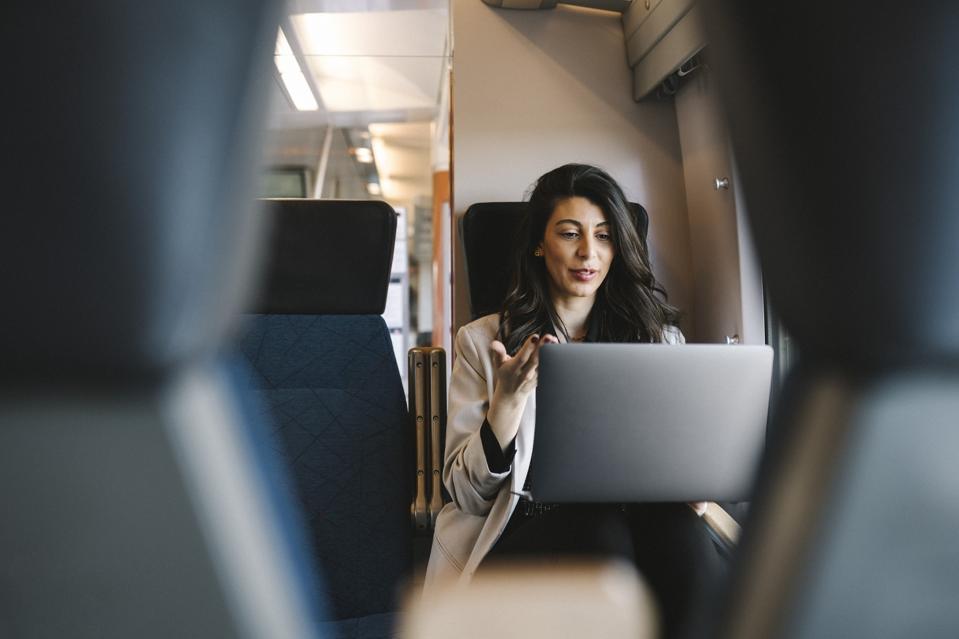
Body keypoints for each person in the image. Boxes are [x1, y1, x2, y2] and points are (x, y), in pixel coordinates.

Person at [424, 164, 721, 638]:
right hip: (522, 529)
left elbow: (682, 473)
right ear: (540, 244)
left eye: (604, 236)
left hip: (637, 520)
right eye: (570, 234)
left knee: (683, 534)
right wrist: (507, 402)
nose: (589, 252)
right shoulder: (483, 342)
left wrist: (692, 478)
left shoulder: (660, 340)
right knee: (596, 529)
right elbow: (464, 494)